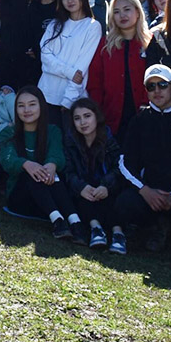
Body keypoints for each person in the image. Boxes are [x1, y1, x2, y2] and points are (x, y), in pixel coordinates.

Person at [114, 65, 171, 257]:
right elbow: (124, 162)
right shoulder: (139, 120)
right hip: (151, 192)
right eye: (151, 86)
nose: (157, 91)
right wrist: (145, 190)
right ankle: (154, 228)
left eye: (162, 85)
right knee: (124, 203)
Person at [0, 86, 80, 240]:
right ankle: (58, 221)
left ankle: (75, 222)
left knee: (52, 174)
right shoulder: (8, 133)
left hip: (48, 197)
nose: (26, 110)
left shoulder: (53, 131)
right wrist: (27, 164)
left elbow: (57, 155)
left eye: (32, 104)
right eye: (21, 106)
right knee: (32, 173)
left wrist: (52, 165)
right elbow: (7, 160)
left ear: (41, 106)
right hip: (20, 199)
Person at [86, 0, 152, 137]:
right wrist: (98, 112)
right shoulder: (105, 45)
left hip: (145, 118)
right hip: (112, 119)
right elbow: (95, 82)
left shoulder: (151, 42)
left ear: (137, 11)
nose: (122, 15)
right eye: (116, 11)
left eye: (127, 9)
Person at [37, 0, 103, 122]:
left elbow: (81, 68)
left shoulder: (92, 26)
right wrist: (69, 72)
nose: (69, 0)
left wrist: (68, 100)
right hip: (44, 94)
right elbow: (45, 57)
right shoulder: (55, 24)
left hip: (70, 101)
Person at [65, 97, 123, 250]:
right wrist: (81, 187)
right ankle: (96, 229)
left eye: (87, 116)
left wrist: (106, 186)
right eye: (77, 118)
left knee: (114, 199)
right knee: (83, 199)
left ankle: (118, 234)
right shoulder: (71, 142)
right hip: (85, 189)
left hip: (107, 188)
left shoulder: (109, 139)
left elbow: (119, 169)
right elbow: (68, 171)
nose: (83, 122)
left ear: (96, 116)